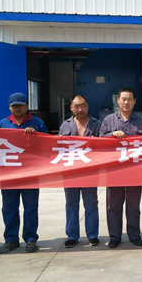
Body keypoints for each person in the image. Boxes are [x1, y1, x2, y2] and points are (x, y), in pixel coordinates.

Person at [0, 92, 48, 254]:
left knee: (30, 207)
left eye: (20, 105)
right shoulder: (3, 124)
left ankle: (31, 239)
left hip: (30, 173)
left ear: (27, 106)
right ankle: (11, 239)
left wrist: (36, 136)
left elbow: (48, 144)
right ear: (9, 107)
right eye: (14, 106)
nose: (17, 108)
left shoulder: (37, 123)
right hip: (9, 174)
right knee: (9, 208)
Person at [99, 87, 142, 248]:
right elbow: (99, 141)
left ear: (134, 101)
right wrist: (111, 135)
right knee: (113, 206)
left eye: (129, 99)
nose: (126, 102)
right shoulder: (108, 120)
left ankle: (134, 235)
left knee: (133, 206)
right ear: (118, 101)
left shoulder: (141, 121)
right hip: (114, 170)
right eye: (123, 99)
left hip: (135, 170)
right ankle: (115, 236)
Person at [58, 94, 102, 248]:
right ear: (71, 108)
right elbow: (58, 147)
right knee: (71, 204)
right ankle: (72, 235)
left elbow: (104, 146)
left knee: (91, 204)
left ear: (87, 106)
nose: (80, 109)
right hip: (70, 172)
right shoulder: (65, 125)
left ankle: (92, 235)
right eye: (76, 106)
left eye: (82, 105)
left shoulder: (97, 124)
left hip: (90, 171)